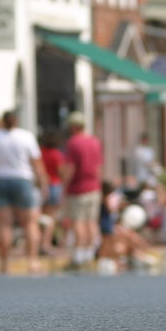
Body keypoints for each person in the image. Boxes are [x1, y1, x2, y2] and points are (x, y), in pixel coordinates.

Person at [0, 110, 46, 274]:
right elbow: (36, 163)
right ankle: (32, 261)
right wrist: (43, 182)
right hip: (22, 179)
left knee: (3, 224)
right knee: (30, 222)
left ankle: (5, 263)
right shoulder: (26, 137)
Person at [61, 112, 103, 269]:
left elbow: (70, 168)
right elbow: (99, 167)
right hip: (94, 187)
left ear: (73, 127)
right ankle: (89, 252)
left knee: (78, 221)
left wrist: (64, 186)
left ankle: (79, 253)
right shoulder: (95, 142)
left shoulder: (73, 143)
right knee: (91, 221)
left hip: (78, 187)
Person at [39, 130, 65, 252]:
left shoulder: (40, 152)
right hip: (54, 185)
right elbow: (61, 172)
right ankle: (46, 243)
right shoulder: (56, 154)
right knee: (51, 218)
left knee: (41, 217)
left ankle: (40, 242)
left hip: (41, 186)